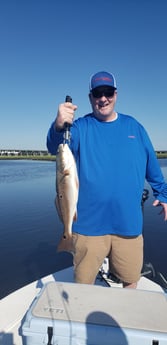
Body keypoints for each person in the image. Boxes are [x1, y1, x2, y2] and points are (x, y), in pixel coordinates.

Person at [47, 71, 167, 289]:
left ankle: (125, 318)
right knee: (84, 283)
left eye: (108, 92)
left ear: (116, 94)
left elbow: (151, 164)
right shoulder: (81, 127)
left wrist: (163, 193)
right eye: (97, 93)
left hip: (128, 224)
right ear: (90, 97)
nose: (103, 98)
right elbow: (56, 147)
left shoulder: (135, 127)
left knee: (131, 279)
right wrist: (58, 125)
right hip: (88, 226)